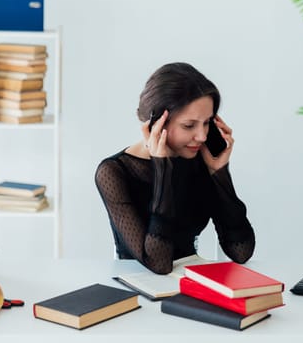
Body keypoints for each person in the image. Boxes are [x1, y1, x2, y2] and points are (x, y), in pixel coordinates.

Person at [95, 62, 255, 274]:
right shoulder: (113, 172)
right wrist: (162, 169)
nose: (202, 136)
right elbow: (159, 263)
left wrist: (220, 173)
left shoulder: (200, 159)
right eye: (189, 126)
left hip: (191, 282)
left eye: (207, 123)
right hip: (138, 287)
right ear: (156, 124)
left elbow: (241, 252)